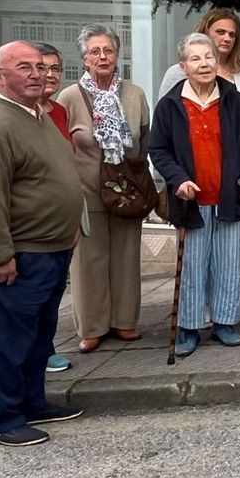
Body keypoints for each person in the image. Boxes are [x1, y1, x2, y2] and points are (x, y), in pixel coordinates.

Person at [0, 41, 85, 446]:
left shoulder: (38, 116)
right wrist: (0, 255)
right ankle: (4, 419)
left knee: (38, 336)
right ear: (0, 76)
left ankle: (32, 402)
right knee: (8, 340)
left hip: (50, 249)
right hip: (17, 255)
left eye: (39, 66)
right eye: (24, 67)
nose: (37, 73)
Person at [148, 33, 240, 357]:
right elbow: (158, 150)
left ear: (217, 61)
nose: (204, 64)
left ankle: (225, 322)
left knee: (228, 263)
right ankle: (188, 327)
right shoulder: (171, 105)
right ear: (183, 65)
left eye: (209, 57)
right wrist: (178, 179)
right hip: (190, 199)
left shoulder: (235, 100)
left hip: (230, 195)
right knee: (192, 266)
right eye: (196, 59)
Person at [59, 24, 151, 353]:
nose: (102, 57)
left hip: (127, 188)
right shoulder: (70, 97)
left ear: (117, 55)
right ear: (84, 59)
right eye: (95, 51)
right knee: (89, 260)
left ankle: (124, 322)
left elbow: (145, 137)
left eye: (108, 50)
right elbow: (61, 146)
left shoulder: (135, 94)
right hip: (86, 190)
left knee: (127, 256)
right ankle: (93, 327)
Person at [159, 8, 240, 142]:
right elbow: (163, 121)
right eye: (220, 32)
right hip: (187, 155)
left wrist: (236, 141)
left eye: (232, 34)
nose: (227, 38)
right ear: (205, 33)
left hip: (239, 158)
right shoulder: (178, 72)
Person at [32, 42, 73, 373]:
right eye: (41, 68)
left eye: (55, 68)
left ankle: (45, 348)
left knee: (52, 293)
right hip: (31, 227)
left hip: (61, 223)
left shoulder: (59, 111)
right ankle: (13, 372)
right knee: (26, 302)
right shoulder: (17, 114)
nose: (49, 75)